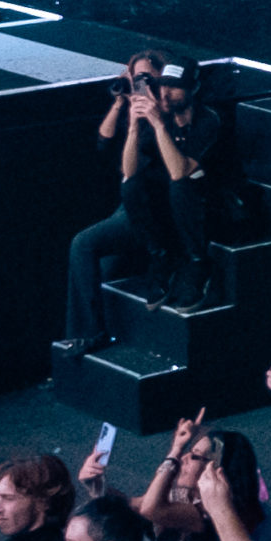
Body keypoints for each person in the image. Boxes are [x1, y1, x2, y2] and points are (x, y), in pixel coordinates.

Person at [67, 56, 214, 349]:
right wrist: (132, 122)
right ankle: (88, 332)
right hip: (142, 207)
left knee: (175, 190)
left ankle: (180, 266)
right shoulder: (146, 114)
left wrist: (158, 123)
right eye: (139, 79)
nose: (162, 92)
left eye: (151, 80)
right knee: (84, 244)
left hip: (175, 209)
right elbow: (123, 168)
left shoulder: (195, 117)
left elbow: (178, 174)